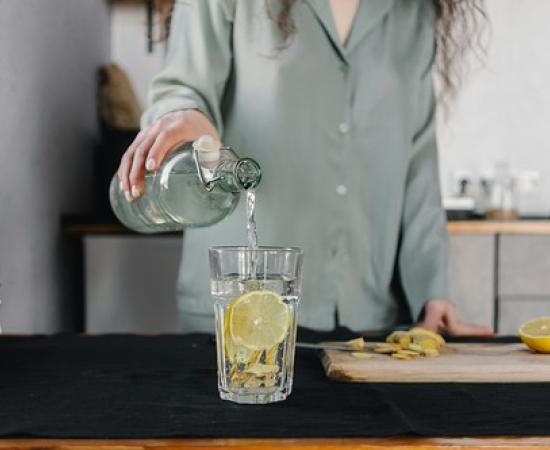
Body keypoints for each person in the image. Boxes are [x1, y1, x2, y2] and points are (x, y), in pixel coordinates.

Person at [117, 0, 492, 336]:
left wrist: (432, 290)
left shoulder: (416, 11)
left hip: (371, 320)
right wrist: (187, 117)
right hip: (242, 314)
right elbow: (183, 87)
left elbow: (417, 165)